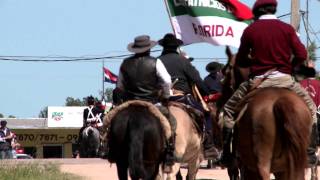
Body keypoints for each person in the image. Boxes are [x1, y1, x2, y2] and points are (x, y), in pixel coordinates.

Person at [219, 0, 318, 166]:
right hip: (285, 80)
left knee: (228, 110)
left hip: (258, 81)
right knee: (312, 110)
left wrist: (252, 60)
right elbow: (301, 54)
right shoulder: (287, 29)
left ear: (257, 12)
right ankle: (309, 151)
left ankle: (227, 154)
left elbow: (241, 59)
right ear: (274, 9)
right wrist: (291, 65)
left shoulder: (251, 30)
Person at [116, 35, 175, 166]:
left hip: (129, 103)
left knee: (109, 122)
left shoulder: (125, 63)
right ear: (149, 49)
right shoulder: (155, 62)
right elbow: (167, 81)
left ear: (135, 49)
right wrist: (165, 97)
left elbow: (119, 86)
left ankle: (109, 149)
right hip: (152, 103)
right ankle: (170, 152)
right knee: (172, 122)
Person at [157, 33, 215, 157]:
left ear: (163, 47)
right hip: (181, 98)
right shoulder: (183, 61)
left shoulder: (157, 61)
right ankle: (208, 145)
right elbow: (197, 80)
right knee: (206, 114)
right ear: (176, 47)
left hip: (160, 99)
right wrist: (207, 93)